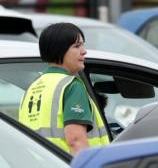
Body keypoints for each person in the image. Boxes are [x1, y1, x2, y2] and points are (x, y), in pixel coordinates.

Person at [19, 22, 110, 155]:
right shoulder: (72, 85)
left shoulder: (32, 87)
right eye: (77, 46)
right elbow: (76, 141)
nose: (84, 51)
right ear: (59, 49)